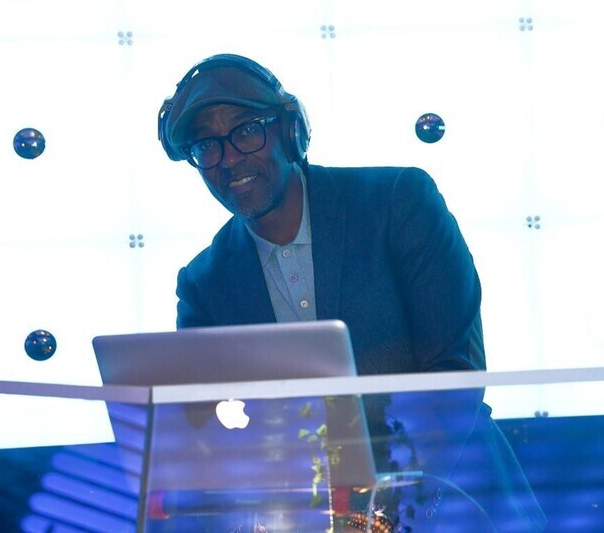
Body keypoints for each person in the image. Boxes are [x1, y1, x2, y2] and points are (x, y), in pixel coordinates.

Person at [158, 53, 545, 531]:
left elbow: (453, 378)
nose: (229, 158)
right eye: (206, 147)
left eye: (246, 131)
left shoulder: (399, 200)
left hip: (458, 507)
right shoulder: (204, 284)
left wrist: (379, 511)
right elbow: (213, 436)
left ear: (291, 131)